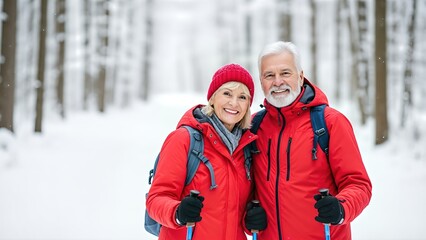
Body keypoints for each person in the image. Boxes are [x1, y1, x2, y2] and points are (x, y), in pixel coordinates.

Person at [251, 41, 372, 239]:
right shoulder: (255, 127)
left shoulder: (330, 123)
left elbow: (359, 184)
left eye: (285, 73)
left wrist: (341, 209)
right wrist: (249, 214)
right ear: (261, 81)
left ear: (300, 76)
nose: (278, 81)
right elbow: (246, 188)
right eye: (269, 75)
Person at [146, 63, 267, 240]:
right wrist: (178, 212)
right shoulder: (184, 139)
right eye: (227, 93)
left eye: (242, 97)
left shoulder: (246, 149)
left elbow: (237, 212)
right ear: (212, 98)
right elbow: (156, 199)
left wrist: (250, 220)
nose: (234, 103)